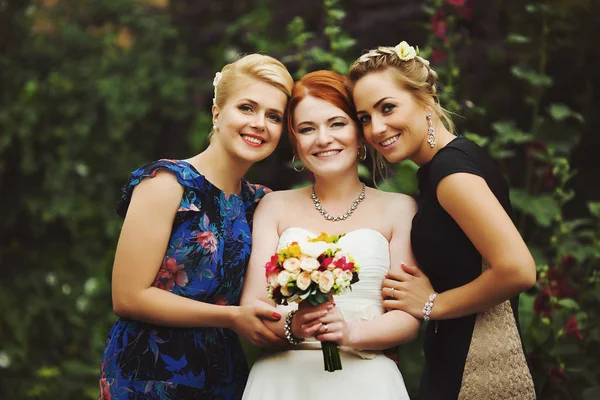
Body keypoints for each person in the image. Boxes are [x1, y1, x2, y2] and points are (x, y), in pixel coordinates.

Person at [347, 41, 537, 399]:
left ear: (426, 98)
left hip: (474, 365)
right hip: (456, 356)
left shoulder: (451, 174)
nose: (376, 128)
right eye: (365, 118)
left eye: (387, 108)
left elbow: (518, 269)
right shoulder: (446, 165)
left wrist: (432, 304)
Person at [98, 53, 294, 399]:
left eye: (273, 116)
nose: (260, 123)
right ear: (217, 114)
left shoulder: (262, 203)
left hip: (223, 375)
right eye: (247, 108)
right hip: (149, 373)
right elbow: (127, 297)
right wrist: (233, 317)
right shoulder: (166, 183)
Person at [240, 70, 419, 400]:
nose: (323, 139)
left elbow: (408, 316)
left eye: (337, 123)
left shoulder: (400, 209)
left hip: (368, 381)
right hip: (282, 382)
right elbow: (253, 307)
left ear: (360, 133)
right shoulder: (273, 206)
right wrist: (293, 325)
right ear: (296, 144)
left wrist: (350, 332)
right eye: (307, 129)